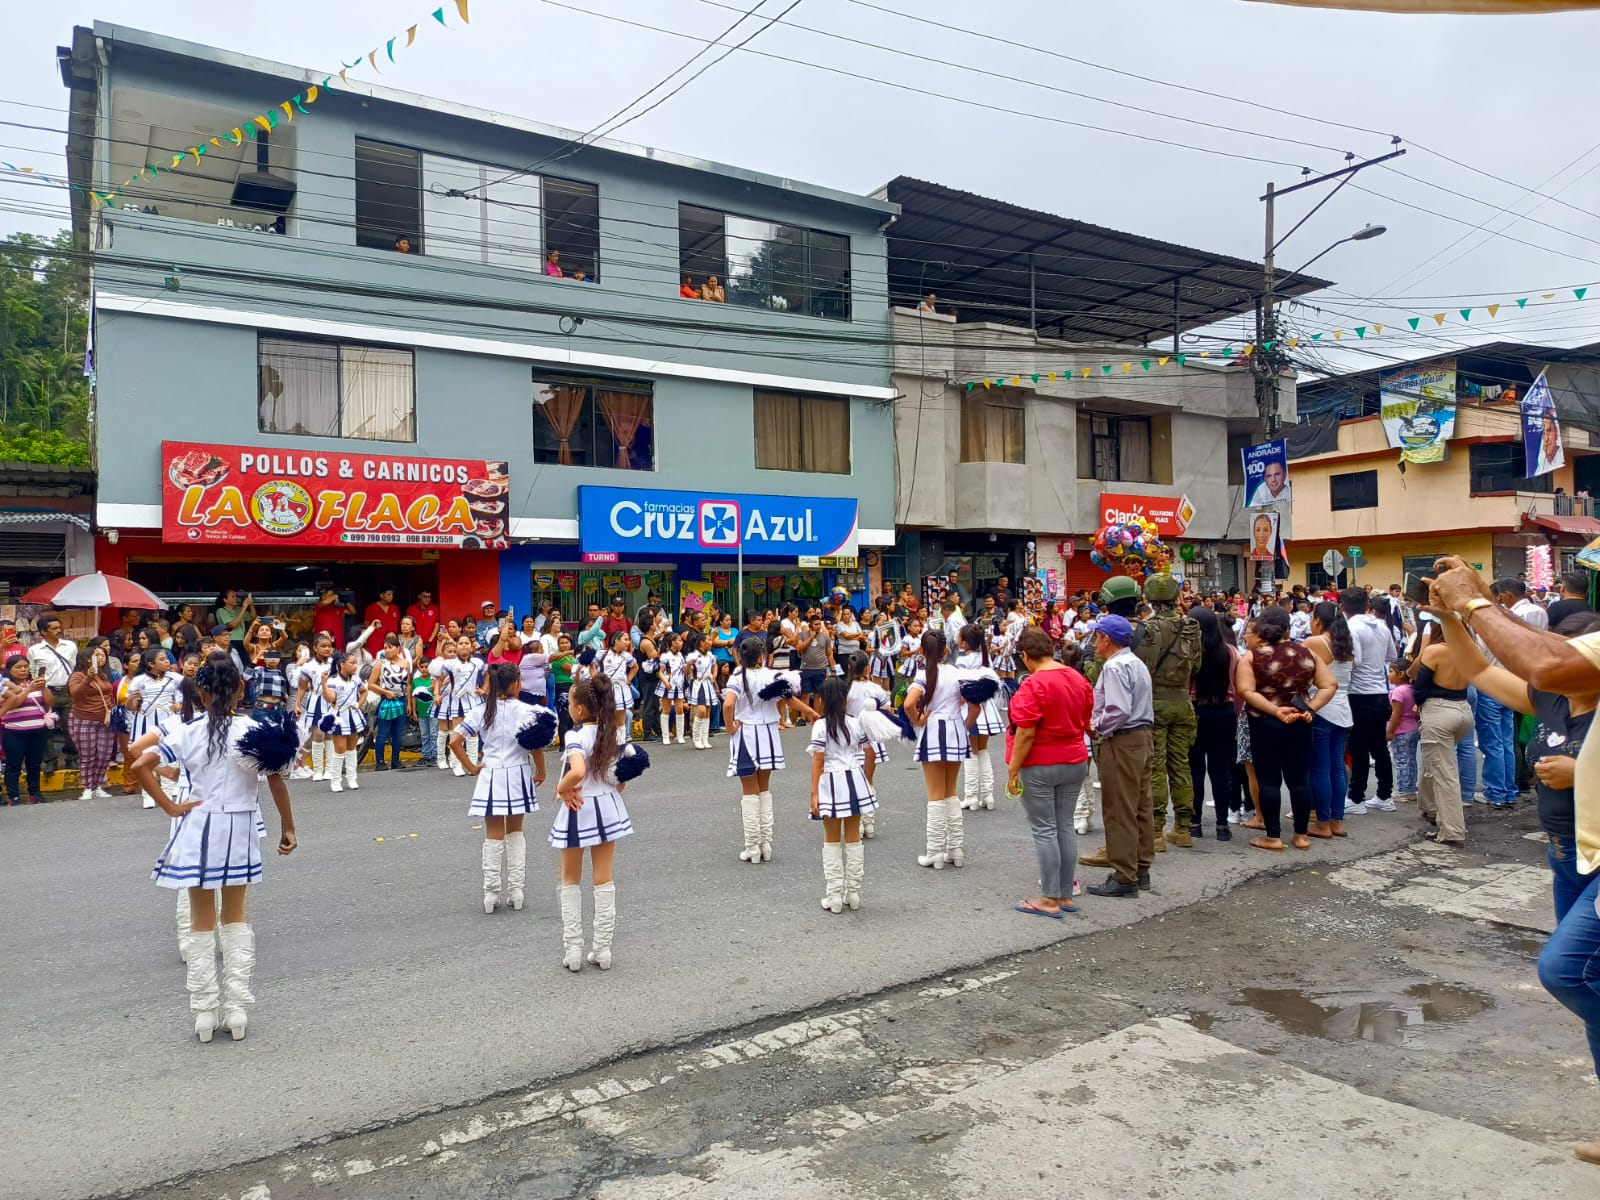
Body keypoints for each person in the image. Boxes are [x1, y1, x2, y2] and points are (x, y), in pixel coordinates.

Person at [1425, 556, 1600, 1162]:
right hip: (1566, 858)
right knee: (1592, 984)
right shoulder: (1550, 697)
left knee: (1565, 971)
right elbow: (1478, 669)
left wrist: (1581, 772)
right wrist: (1451, 619)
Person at [132, 652, 296, 1042]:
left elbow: (139, 765)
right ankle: (236, 1009)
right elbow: (276, 782)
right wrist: (288, 828)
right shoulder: (255, 730)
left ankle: (204, 1013)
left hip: (197, 827)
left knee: (201, 922)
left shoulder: (186, 731)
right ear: (240, 689)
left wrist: (170, 806)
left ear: (201, 693)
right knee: (235, 917)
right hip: (239, 828)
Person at [1006, 627, 1094, 916]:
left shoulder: (1033, 684)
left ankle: (1050, 898)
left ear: (1025, 656)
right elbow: (1087, 718)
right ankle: (1065, 894)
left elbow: (1025, 732)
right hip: (1074, 758)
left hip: (1040, 762)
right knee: (1064, 826)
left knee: (1044, 829)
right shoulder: (1077, 678)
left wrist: (1013, 769)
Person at [451, 661, 552, 915]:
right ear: (516, 684)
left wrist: (472, 767)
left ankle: (491, 892)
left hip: (491, 774)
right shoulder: (528, 711)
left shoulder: (482, 711)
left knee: (493, 834)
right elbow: (536, 746)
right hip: (518, 773)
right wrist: (541, 771)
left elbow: (454, 741)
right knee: (516, 832)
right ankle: (516, 891)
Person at [553, 678, 634, 972]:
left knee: (569, 877)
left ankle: (573, 950)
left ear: (579, 709)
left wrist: (562, 788)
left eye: (571, 702)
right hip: (608, 808)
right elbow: (620, 782)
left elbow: (577, 771)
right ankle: (603, 949)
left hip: (579, 807)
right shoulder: (613, 733)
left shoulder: (575, 735)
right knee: (603, 877)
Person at [1239, 606, 1335, 852]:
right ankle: (1301, 835)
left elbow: (1246, 691)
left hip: (1264, 722)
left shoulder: (1251, 656)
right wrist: (1310, 708)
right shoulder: (1307, 652)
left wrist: (1275, 710)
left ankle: (1273, 836)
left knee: (1269, 780)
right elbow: (1329, 684)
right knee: (1300, 780)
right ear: (1287, 628)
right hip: (1300, 720)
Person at [724, 637, 815, 865]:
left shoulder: (737, 675)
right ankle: (766, 844)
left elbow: (728, 704)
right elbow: (790, 700)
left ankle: (752, 847)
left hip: (746, 735)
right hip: (769, 733)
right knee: (764, 789)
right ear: (762, 656)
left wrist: (730, 727)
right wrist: (811, 712)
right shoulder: (772, 675)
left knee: (749, 791)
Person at [1086, 615, 1154, 897]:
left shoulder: (1114, 666)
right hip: (1142, 736)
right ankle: (1141, 867)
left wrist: (1097, 726)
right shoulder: (1135, 663)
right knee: (1141, 804)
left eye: (1097, 637)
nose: (1094, 642)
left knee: (1119, 807)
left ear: (1107, 639)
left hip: (1123, 739)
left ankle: (1124, 875)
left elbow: (1118, 709)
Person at [1135, 574, 1201, 848]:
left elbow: (1139, 668)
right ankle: (1183, 828)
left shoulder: (1147, 629)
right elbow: (1196, 666)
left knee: (1156, 767)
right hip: (1182, 701)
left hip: (1155, 702)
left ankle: (1156, 831)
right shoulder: (1191, 627)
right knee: (1181, 764)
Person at [904, 630, 978, 870]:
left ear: (922, 651)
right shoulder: (956, 673)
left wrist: (917, 720)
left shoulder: (923, 674)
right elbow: (975, 706)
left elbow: (908, 703)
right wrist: (965, 726)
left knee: (935, 794)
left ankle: (935, 852)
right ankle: (955, 849)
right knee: (951, 791)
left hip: (934, 730)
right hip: (956, 730)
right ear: (946, 650)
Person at [808, 677, 876, 914]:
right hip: (855, 778)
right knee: (854, 837)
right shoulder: (856, 723)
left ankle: (834, 896)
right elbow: (870, 754)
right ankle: (853, 894)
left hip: (831, 781)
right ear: (845, 700)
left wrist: (814, 793)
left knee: (831, 838)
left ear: (823, 700)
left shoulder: (820, 726)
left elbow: (818, 760)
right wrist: (865, 780)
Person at [1341, 587, 1397, 814]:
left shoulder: (1351, 627)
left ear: (1342, 607)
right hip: (1380, 692)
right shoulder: (1382, 626)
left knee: (1358, 747)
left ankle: (1356, 798)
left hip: (1358, 693)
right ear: (1367, 606)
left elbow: (1355, 660)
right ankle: (1384, 795)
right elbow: (1392, 656)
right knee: (1379, 746)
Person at [1303, 602, 1355, 839]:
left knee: (1320, 769)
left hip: (1322, 709)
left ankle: (1322, 823)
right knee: (1337, 769)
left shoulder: (1315, 642)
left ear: (1317, 620)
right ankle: (1337, 821)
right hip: (1343, 711)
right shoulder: (1346, 643)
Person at [1187, 606, 1238, 842]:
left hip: (1195, 711)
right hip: (1224, 712)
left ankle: (1194, 823)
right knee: (1220, 770)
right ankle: (1222, 824)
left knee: (1195, 770)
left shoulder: (1188, 654)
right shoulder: (1230, 652)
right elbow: (1237, 688)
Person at [955, 623, 1005, 812]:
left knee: (971, 751)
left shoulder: (962, 660)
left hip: (969, 707)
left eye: (959, 637)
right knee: (983, 750)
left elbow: (959, 686)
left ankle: (971, 797)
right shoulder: (986, 658)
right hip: (986, 707)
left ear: (964, 643)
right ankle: (987, 795)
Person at [27, 612, 79, 770]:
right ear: (43, 632)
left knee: (71, 726)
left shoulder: (70, 646)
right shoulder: (34, 650)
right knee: (46, 727)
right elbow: (32, 672)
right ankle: (50, 760)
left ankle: (72, 757)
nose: (59, 630)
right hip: (46, 691)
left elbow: (75, 667)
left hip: (68, 690)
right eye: (54, 628)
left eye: (59, 627)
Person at [67, 641, 118, 800]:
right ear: (88, 659)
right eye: (97, 655)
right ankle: (87, 787)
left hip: (105, 720)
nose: (101, 657)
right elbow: (75, 694)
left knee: (103, 755)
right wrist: (88, 679)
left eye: (102, 655)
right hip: (84, 719)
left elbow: (108, 695)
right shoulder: (77, 676)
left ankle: (98, 785)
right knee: (88, 755)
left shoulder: (102, 675)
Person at [1, 654, 53, 804]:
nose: (23, 670)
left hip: (37, 730)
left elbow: (49, 702)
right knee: (13, 765)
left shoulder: (34, 683)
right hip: (13, 731)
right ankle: (14, 796)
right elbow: (14, 703)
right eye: (18, 667)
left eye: (25, 666)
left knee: (34, 764)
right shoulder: (5, 686)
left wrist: (43, 688)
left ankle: (35, 793)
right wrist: (28, 690)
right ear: (9, 669)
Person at [431, 636, 486, 775]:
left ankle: (472, 763)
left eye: (466, 643)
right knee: (457, 732)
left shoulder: (477, 662)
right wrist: (436, 694)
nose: (464, 645)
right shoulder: (450, 664)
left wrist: (484, 689)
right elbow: (439, 679)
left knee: (473, 732)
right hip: (457, 700)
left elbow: (489, 674)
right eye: (461, 643)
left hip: (473, 700)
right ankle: (456, 764)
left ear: (471, 646)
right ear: (457, 646)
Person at [321, 652, 368, 793]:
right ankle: (335, 780)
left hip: (352, 715)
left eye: (356, 663)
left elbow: (364, 691)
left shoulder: (356, 679)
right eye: (352, 663)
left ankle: (352, 777)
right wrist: (324, 684)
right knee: (340, 749)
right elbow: (330, 698)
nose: (355, 666)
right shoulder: (333, 681)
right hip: (339, 716)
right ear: (342, 664)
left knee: (352, 748)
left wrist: (359, 704)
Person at [369, 638, 412, 771]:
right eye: (385, 648)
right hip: (386, 699)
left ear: (398, 648)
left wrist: (409, 703)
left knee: (398, 732)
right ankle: (380, 761)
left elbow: (408, 685)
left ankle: (395, 760)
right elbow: (371, 684)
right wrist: (385, 692)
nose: (387, 650)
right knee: (383, 732)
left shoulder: (405, 663)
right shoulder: (380, 664)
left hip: (401, 699)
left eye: (390, 647)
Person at [1387, 660, 1420, 804]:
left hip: (1401, 731)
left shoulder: (1398, 692)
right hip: (1413, 728)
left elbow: (1397, 713)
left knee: (1401, 761)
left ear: (1400, 674)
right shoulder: (1412, 689)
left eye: (1391, 672)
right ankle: (1411, 789)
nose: (1388, 675)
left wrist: (1390, 731)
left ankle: (1402, 791)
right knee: (1411, 760)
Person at [796, 609, 836, 712]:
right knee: (805, 695)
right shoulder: (802, 635)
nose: (818, 626)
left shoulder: (825, 637)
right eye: (816, 624)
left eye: (819, 624)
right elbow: (799, 648)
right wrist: (810, 638)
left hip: (820, 669)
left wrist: (833, 669)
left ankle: (817, 716)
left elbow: (829, 654)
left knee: (818, 695)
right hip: (806, 668)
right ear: (810, 625)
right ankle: (804, 717)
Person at [685, 631, 720, 749]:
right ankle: (696, 737)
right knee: (701, 710)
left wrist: (714, 675)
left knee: (708, 711)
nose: (711, 642)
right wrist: (689, 664)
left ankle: (704, 738)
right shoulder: (693, 655)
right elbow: (686, 673)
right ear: (701, 643)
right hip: (697, 684)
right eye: (708, 640)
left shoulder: (710, 655)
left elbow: (715, 665)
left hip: (708, 684)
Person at [656, 633, 687, 745]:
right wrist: (665, 682)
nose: (681, 643)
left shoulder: (681, 656)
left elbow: (684, 671)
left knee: (680, 709)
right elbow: (660, 672)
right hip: (668, 683)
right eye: (679, 641)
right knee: (666, 709)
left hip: (679, 683)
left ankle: (680, 735)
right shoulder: (665, 656)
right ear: (673, 643)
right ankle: (665, 736)